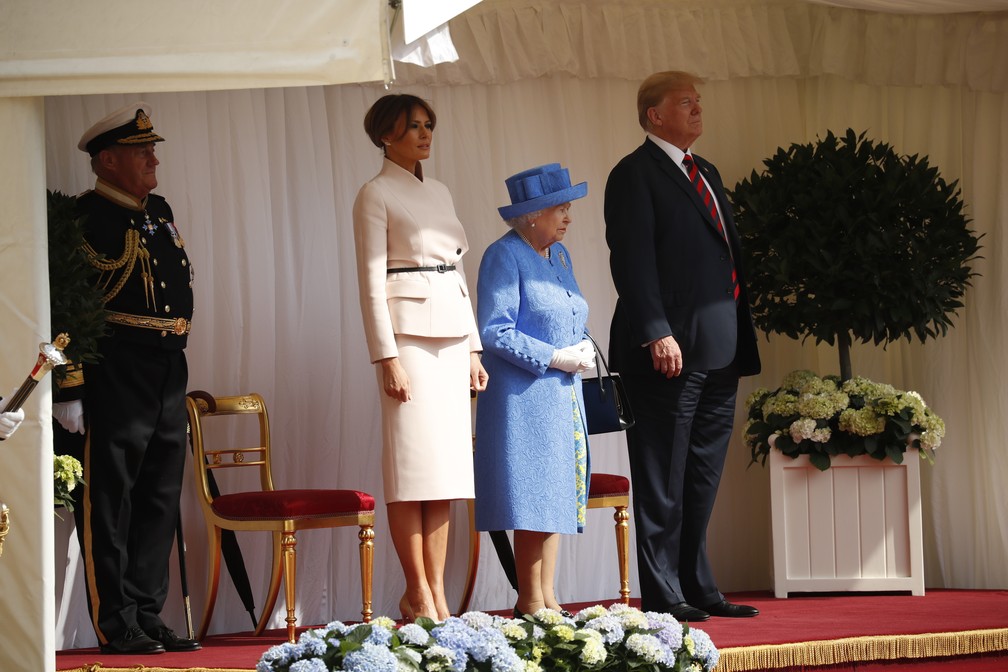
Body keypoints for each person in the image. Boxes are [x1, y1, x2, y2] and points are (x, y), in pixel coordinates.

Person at [603, 71, 762, 621]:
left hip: (720, 348)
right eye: (686, 103)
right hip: (665, 351)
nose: (698, 110)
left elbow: (723, 260)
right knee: (662, 475)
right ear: (655, 116)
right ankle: (663, 593)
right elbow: (632, 261)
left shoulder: (707, 171)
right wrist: (656, 330)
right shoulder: (633, 175)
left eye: (699, 101)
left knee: (701, 477)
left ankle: (698, 585)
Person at [51, 102, 200, 654]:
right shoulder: (84, 218)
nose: (153, 159)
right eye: (142, 152)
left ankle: (147, 611)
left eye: (152, 150)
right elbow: (65, 303)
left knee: (160, 494)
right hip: (114, 367)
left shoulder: (156, 209)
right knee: (110, 499)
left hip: (167, 366)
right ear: (107, 160)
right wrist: (70, 387)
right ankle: (116, 622)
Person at [352, 93, 488, 622]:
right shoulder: (374, 193)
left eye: (429, 125)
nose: (425, 134)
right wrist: (385, 357)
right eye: (414, 127)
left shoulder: (443, 190)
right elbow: (369, 282)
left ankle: (435, 593)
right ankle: (419, 591)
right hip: (406, 339)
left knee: (448, 473)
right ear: (387, 134)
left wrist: (474, 347)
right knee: (410, 470)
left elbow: (455, 272)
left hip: (453, 337)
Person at [474, 164, 595, 618]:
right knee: (533, 495)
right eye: (560, 209)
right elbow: (495, 330)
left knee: (558, 492)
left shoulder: (559, 257)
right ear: (530, 216)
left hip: (563, 395)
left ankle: (549, 598)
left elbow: (569, 313)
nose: (567, 217)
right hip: (523, 397)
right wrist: (555, 356)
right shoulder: (503, 256)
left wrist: (580, 344)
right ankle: (530, 601)